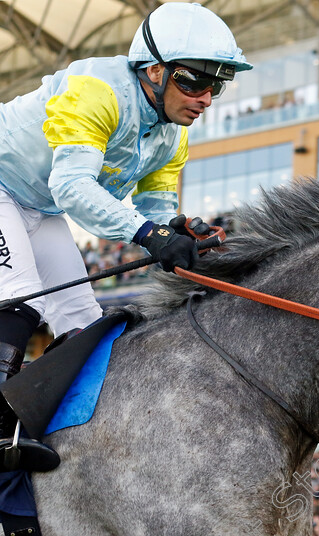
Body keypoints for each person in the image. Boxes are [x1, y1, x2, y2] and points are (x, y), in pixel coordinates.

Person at [0, 2, 252, 470]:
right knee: (21, 299)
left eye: (216, 85)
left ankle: (57, 422)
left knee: (82, 317)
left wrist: (174, 231)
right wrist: (150, 234)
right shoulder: (97, 90)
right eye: (194, 81)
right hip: (6, 188)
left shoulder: (173, 135)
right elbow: (73, 187)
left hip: (38, 207)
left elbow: (155, 212)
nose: (205, 98)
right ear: (153, 71)